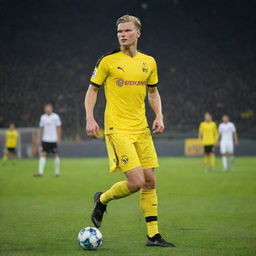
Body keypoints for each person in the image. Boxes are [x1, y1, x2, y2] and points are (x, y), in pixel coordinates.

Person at [85, 15, 175, 247]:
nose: (122, 34)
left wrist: (159, 115)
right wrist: (90, 117)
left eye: (126, 30)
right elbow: (92, 90)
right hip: (118, 129)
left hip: (142, 129)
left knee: (150, 181)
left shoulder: (149, 62)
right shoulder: (107, 61)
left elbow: (153, 93)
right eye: (119, 32)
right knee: (136, 182)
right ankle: (102, 199)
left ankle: (153, 235)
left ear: (138, 33)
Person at [34, 104, 62, 177]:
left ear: (52, 109)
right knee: (43, 154)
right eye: (46, 108)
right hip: (45, 139)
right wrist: (38, 138)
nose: (48, 109)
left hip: (53, 139)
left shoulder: (56, 117)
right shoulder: (43, 117)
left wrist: (58, 138)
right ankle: (40, 172)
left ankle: (57, 173)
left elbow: (59, 127)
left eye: (49, 108)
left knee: (55, 155)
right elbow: (41, 128)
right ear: (45, 109)